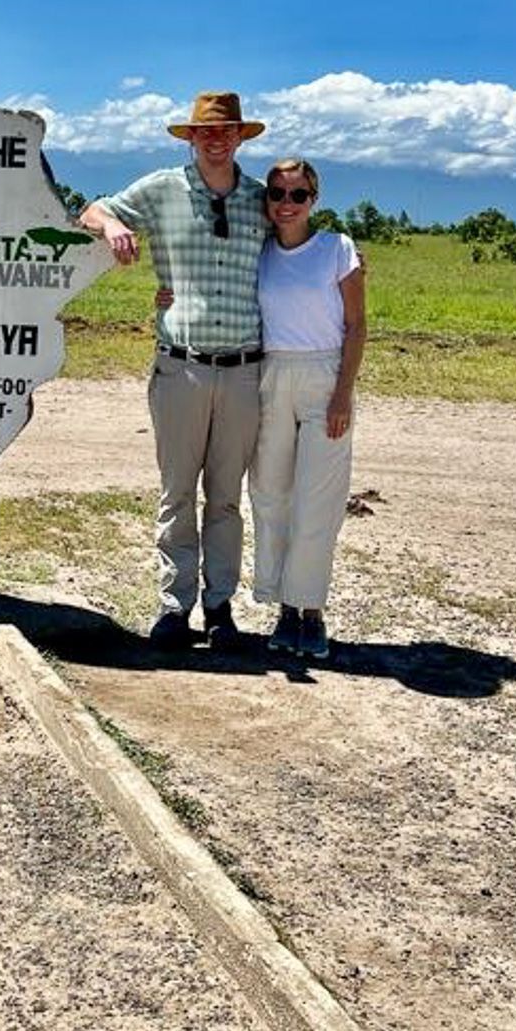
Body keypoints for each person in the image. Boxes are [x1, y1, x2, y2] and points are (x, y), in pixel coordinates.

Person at [80, 90, 268, 654]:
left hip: (242, 369)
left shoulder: (260, 199)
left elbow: (296, 251)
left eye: (226, 130)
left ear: (240, 137)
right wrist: (112, 226)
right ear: (190, 138)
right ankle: (174, 605)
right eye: (204, 131)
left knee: (227, 496)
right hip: (181, 367)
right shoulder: (160, 189)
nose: (215, 139)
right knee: (177, 491)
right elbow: (89, 208)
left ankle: (220, 607)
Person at [249, 158, 366, 662]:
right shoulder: (258, 252)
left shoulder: (336, 249)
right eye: (277, 193)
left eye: (298, 195)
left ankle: (311, 610)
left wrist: (343, 393)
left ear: (314, 200)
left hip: (324, 378)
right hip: (271, 374)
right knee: (270, 494)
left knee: (318, 501)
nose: (287, 204)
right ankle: (282, 608)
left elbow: (356, 326)